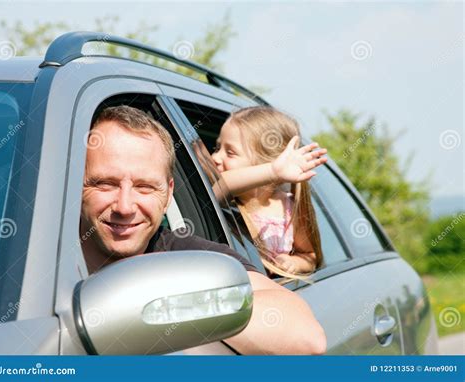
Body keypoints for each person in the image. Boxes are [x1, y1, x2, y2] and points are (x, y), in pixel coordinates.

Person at [80, 105, 326, 355]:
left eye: (145, 187)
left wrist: (156, 306)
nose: (125, 206)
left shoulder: (188, 254)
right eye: (105, 184)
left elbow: (307, 339)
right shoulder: (39, 248)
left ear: (168, 195)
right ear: (76, 183)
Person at [211, 106, 326, 279]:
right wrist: (272, 171)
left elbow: (310, 256)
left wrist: (294, 263)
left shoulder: (289, 208)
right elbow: (222, 186)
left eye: (230, 152)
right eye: (217, 147)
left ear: (267, 161)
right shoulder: (223, 200)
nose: (215, 157)